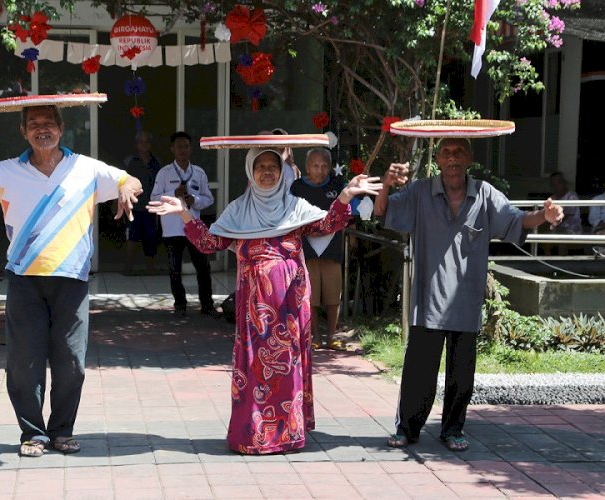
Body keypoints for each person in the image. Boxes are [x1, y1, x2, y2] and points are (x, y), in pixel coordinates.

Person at [0, 104, 142, 457]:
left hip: (72, 279)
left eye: (48, 123)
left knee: (71, 361)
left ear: (61, 128)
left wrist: (127, 187)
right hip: (23, 279)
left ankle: (62, 431)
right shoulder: (8, 171)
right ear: (23, 131)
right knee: (24, 363)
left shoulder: (86, 168)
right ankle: (32, 434)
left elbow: (130, 179)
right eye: (33, 124)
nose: (42, 129)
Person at [148, 147, 382, 454]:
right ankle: (254, 435)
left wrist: (345, 196)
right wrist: (183, 212)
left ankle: (288, 435)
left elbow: (327, 226)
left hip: (291, 303)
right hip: (253, 306)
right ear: (250, 172)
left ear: (282, 172)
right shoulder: (237, 211)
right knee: (256, 368)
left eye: (274, 165)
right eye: (261, 166)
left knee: (287, 365)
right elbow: (209, 243)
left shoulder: (295, 207)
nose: (268, 171)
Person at [375, 138, 563, 452]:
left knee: (461, 375)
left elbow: (516, 220)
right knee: (418, 372)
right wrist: (386, 183)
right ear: (437, 158)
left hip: (466, 300)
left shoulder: (485, 194)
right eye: (446, 152)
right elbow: (384, 212)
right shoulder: (421, 191)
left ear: (469, 159)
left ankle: (452, 430)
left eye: (459, 152)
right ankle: (407, 429)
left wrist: (544, 216)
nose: (452, 158)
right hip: (428, 300)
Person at [151, 131, 218, 317]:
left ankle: (207, 305)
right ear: (172, 149)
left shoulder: (199, 173)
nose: (183, 150)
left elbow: (208, 199)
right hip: (172, 229)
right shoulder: (164, 173)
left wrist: (194, 200)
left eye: (186, 146)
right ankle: (180, 305)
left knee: (203, 268)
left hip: (194, 228)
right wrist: (173, 193)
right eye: (179, 146)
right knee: (175, 270)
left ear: (190, 148)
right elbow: (154, 199)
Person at [291, 148, 347, 350]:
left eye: (324, 166)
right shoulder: (297, 187)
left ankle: (332, 335)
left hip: (332, 248)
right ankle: (314, 336)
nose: (320, 170)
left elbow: (347, 213)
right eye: (315, 165)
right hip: (307, 249)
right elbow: (291, 216)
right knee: (311, 295)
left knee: (333, 295)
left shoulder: (337, 185)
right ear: (307, 167)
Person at [123, 130, 162, 274]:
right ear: (136, 144)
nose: (144, 145)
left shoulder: (156, 162)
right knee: (131, 238)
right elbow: (121, 182)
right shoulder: (129, 161)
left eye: (147, 142)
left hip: (151, 207)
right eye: (141, 142)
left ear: (150, 144)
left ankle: (150, 268)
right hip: (133, 206)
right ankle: (128, 268)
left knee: (151, 239)